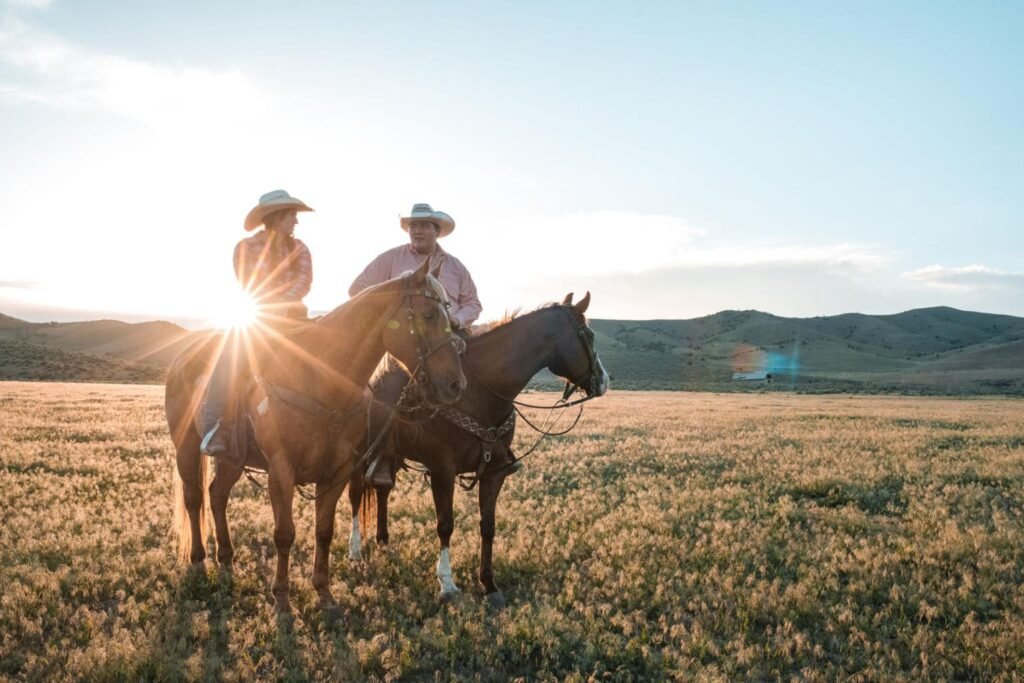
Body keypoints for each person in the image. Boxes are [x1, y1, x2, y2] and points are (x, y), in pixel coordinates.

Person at [349, 203, 481, 486]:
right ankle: (383, 456)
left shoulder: (456, 267)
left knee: (485, 374)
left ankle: (493, 446)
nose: (417, 230)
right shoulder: (391, 260)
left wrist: (456, 319)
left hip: (449, 338)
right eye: (413, 226)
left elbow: (473, 302)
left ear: (437, 232)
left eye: (424, 226)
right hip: (406, 342)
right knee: (387, 387)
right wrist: (387, 317)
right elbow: (357, 290)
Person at [198, 189, 315, 456]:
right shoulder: (245, 248)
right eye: (291, 216)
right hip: (259, 320)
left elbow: (304, 280)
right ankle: (214, 427)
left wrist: (286, 303)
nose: (296, 222)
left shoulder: (300, 248)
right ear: (275, 217)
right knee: (229, 358)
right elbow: (250, 282)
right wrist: (275, 305)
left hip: (296, 318)